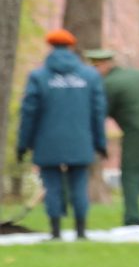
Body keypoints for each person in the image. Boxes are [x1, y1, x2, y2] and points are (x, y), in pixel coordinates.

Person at [17, 29, 107, 240]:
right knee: (79, 184)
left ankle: (55, 231)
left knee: (52, 185)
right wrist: (100, 143)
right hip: (81, 140)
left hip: (47, 141)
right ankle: (81, 231)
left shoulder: (39, 77)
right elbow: (98, 111)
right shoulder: (90, 76)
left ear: (50, 47)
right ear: (71, 47)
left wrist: (23, 144)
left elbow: (29, 113)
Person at [88, 47, 139, 227]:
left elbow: (101, 113)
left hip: (136, 133)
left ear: (103, 65)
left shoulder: (108, 85)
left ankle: (132, 218)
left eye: (95, 67)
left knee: (131, 175)